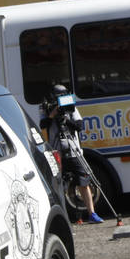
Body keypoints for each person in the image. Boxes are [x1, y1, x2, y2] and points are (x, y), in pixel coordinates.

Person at [41, 83, 102, 224]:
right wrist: (52, 115)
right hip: (57, 152)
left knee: (83, 182)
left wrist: (66, 120)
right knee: (57, 185)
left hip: (74, 150)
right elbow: (42, 125)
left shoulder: (70, 107)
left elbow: (79, 126)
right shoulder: (46, 108)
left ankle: (92, 214)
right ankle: (63, 218)